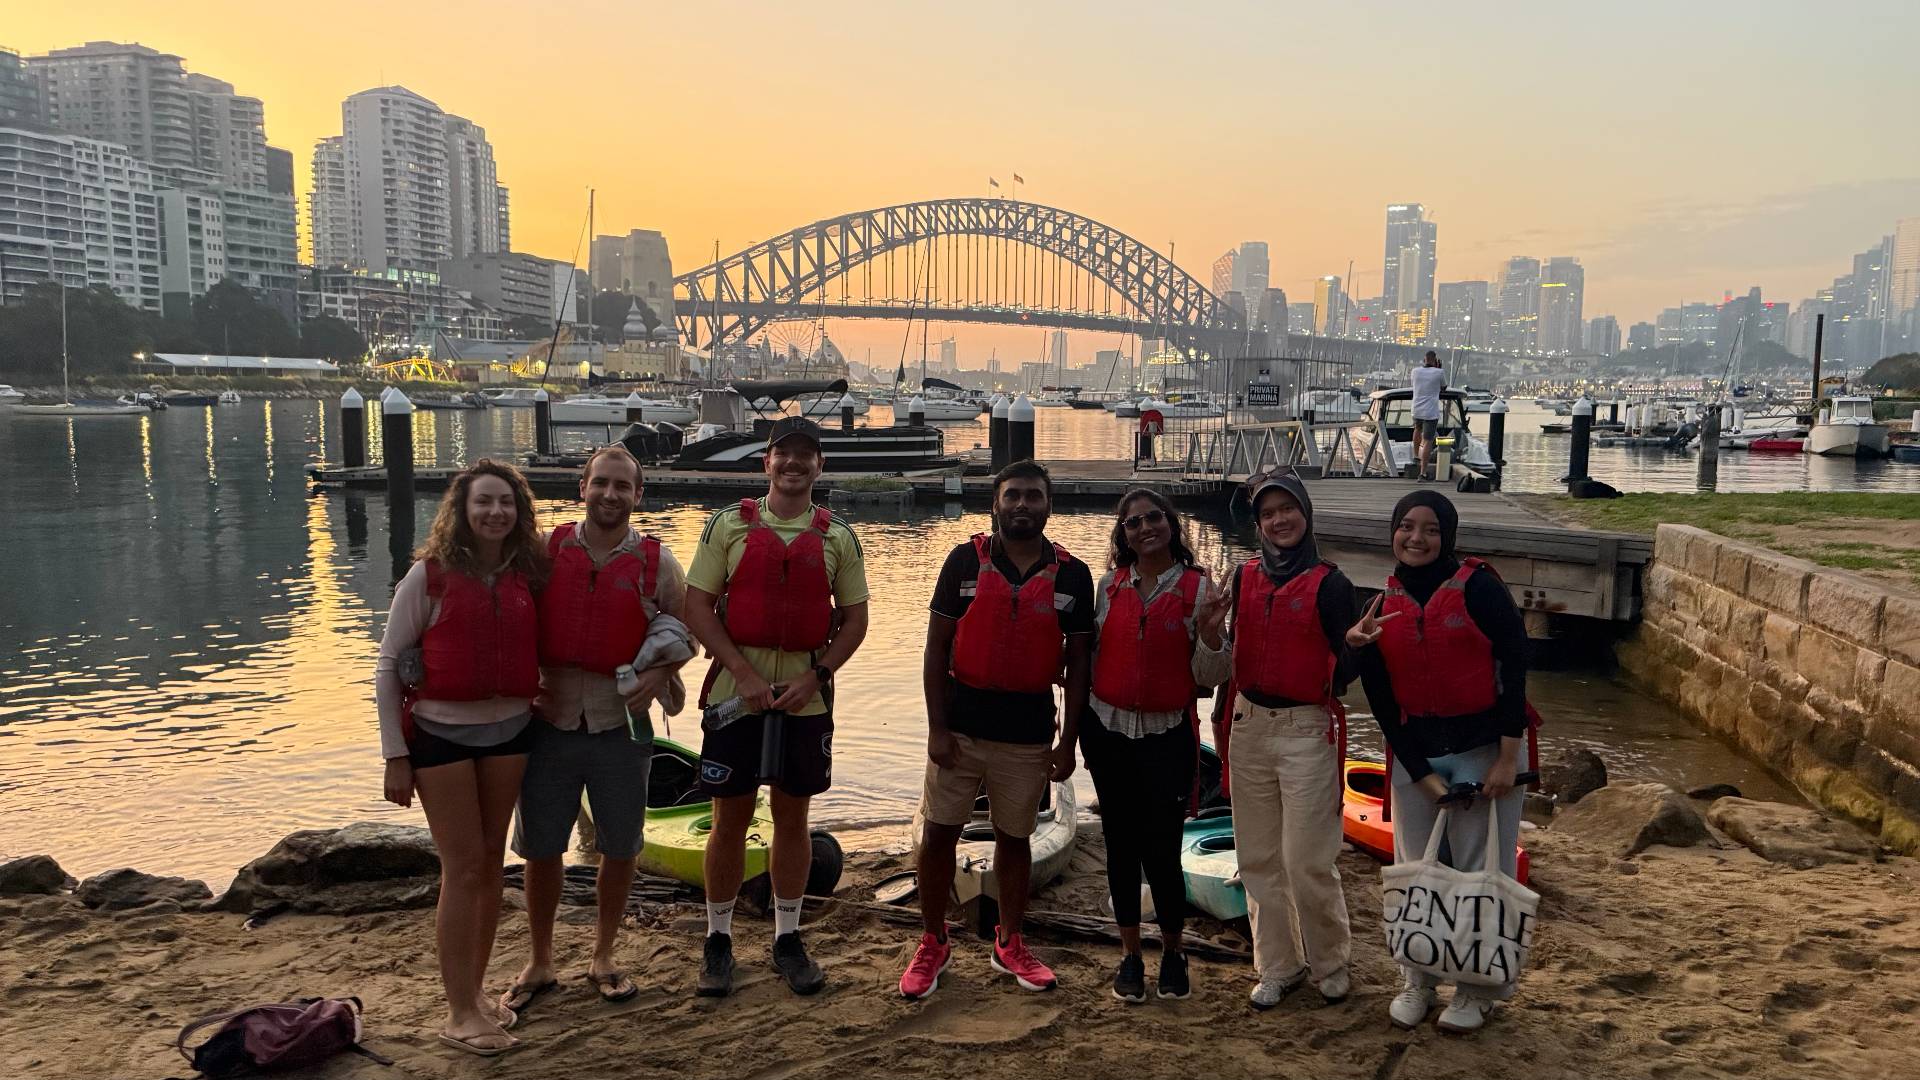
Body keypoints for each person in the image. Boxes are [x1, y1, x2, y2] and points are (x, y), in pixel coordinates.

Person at [682, 417, 870, 997]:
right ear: (766, 462)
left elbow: (855, 620)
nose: (793, 465)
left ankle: (787, 937)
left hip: (803, 700)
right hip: (734, 698)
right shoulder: (727, 527)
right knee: (728, 821)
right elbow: (697, 605)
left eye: (805, 456)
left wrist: (817, 677)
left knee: (793, 822)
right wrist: (740, 672)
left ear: (819, 466)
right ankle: (719, 939)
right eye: (782, 455)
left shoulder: (839, 535)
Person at [500, 445, 689, 1016]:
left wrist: (658, 674)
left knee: (620, 846)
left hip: (621, 723)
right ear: (582, 487)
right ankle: (540, 959)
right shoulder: (545, 550)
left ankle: (604, 954)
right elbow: (507, 611)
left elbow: (686, 634)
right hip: (549, 719)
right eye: (601, 483)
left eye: (622, 486)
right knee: (542, 848)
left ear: (638, 495)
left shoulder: (660, 564)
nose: (610, 495)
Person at [902, 460, 1095, 1000]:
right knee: (939, 832)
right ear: (996, 504)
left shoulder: (1073, 576)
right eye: (1013, 496)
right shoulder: (964, 561)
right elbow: (936, 647)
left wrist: (1068, 743)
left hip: (1028, 732)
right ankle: (933, 940)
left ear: (1048, 506)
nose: (1023, 505)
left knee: (1016, 839)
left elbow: (1079, 665)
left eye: (1034, 496)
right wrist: (937, 728)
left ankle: (1009, 941)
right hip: (960, 729)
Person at [375, 460, 546, 1057]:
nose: (496, 512)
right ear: (462, 510)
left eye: (506, 503)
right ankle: (457, 1013)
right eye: (484, 503)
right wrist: (396, 756)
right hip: (439, 738)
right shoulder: (429, 577)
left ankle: (475, 997)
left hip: (510, 733)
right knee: (464, 868)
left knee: (492, 867)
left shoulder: (527, 573)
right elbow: (389, 666)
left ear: (519, 512)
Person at [1346, 490, 1532, 1034]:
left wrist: (1506, 758)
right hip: (1418, 755)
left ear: (1446, 536)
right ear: (1393, 533)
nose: (1416, 539)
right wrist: (1419, 773)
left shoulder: (1479, 588)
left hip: (1482, 750)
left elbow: (1515, 666)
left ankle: (1477, 990)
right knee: (1415, 871)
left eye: (1429, 529)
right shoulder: (1384, 602)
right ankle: (1418, 979)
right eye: (1406, 527)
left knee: (1480, 873)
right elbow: (1381, 699)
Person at [1084, 489, 1230, 1003]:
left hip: (1167, 735)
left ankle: (1173, 951)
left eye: (1154, 518)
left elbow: (1209, 679)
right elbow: (1085, 657)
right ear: (1122, 535)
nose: (1145, 527)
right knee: (1120, 846)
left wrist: (1212, 635)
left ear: (1171, 523)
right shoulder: (1107, 587)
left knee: (1163, 850)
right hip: (1107, 732)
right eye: (1133, 523)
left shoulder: (1198, 589)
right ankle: (1129, 954)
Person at [1218, 470, 1357, 1009]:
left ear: (1306, 513)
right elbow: (1229, 653)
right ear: (1258, 524)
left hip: (1306, 729)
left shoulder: (1332, 584)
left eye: (1288, 510)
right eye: (1268, 514)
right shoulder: (1243, 577)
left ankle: (1330, 961)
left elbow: (1343, 671)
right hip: (1250, 725)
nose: (1279, 521)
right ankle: (1278, 964)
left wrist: (1357, 647)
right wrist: (1211, 632)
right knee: (1257, 858)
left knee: (1307, 860)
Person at [1410, 351, 1447, 481]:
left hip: (1417, 409)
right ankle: (1423, 473)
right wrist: (1438, 369)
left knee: (1417, 429)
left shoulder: (1414, 371)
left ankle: (1415, 455)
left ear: (1424, 359)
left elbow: (1416, 385)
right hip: (1430, 412)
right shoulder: (1439, 372)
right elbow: (1443, 388)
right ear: (1435, 360)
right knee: (1427, 441)